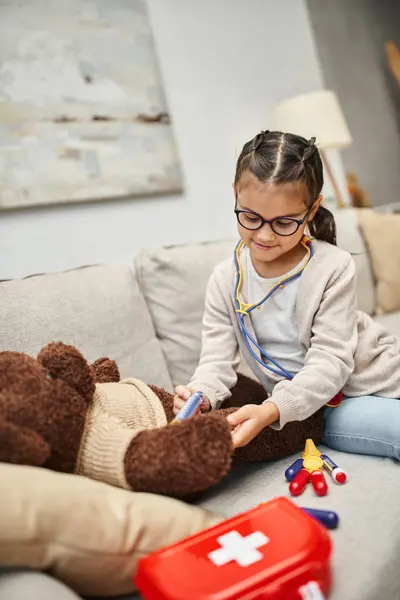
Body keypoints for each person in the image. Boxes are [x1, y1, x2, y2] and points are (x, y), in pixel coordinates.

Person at [174, 130, 400, 460]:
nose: (264, 235)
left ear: (311, 210)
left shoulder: (332, 267)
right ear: (235, 195)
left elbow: (331, 360)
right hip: (327, 405)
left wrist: (271, 409)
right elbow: (215, 362)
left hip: (378, 376)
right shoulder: (225, 280)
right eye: (250, 217)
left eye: (283, 223)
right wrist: (201, 394)